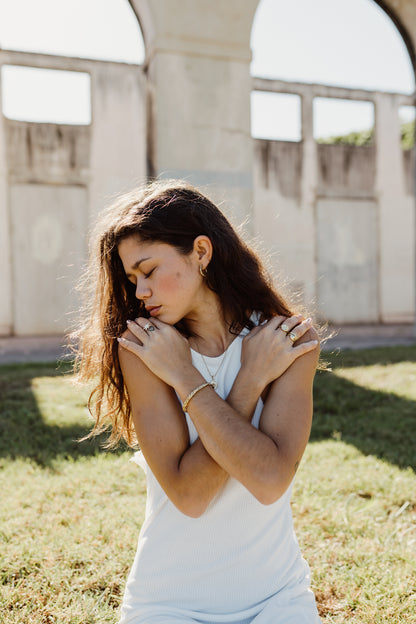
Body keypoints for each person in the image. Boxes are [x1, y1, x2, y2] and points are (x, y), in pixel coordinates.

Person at [75, 180, 322, 624]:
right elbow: (190, 495)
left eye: (148, 271)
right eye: (132, 280)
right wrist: (242, 380)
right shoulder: (144, 351)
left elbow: (268, 481)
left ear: (201, 252)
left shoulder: (288, 342)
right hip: (167, 603)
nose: (140, 293)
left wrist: (211, 377)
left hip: (277, 600)